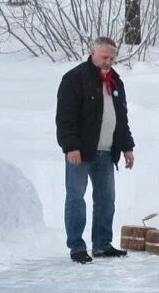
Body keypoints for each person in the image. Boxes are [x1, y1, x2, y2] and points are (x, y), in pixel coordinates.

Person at [56, 37, 135, 264]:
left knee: (106, 199)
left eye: (112, 58)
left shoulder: (115, 82)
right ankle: (77, 247)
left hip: (106, 152)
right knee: (76, 199)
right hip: (80, 152)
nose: (108, 61)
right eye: (104, 57)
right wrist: (71, 146)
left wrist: (127, 147)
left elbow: (122, 119)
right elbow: (65, 119)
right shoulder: (75, 78)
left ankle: (102, 244)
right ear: (92, 53)